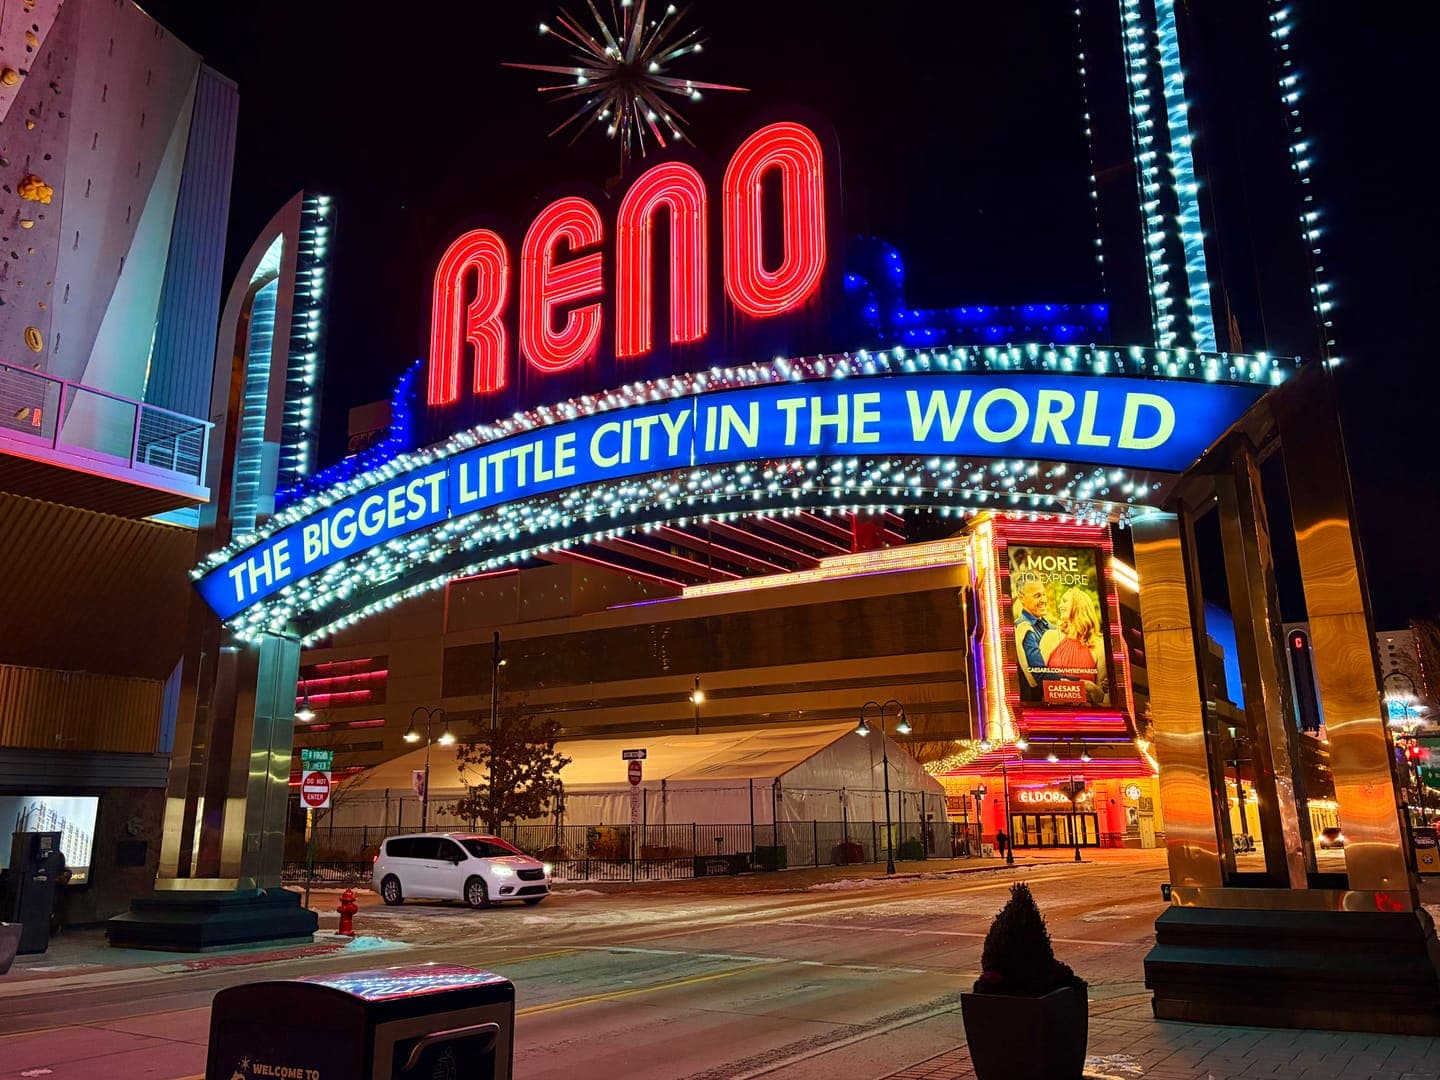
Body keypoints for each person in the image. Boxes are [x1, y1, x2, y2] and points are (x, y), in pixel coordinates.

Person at [1040, 588, 1108, 705]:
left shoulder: (1099, 645)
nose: (1060, 605)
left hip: (1085, 716)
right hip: (1051, 713)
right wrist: (1082, 685)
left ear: (1079, 605)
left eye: (1065, 601)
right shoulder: (1050, 637)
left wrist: (1090, 688)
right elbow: (1037, 679)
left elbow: (1100, 695)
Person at [1012, 574, 1055, 702]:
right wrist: (1079, 682)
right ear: (1021, 598)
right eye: (1037, 596)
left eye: (1044, 594)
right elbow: (1039, 676)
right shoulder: (1019, 628)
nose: (1043, 600)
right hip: (1034, 706)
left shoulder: (1053, 628)